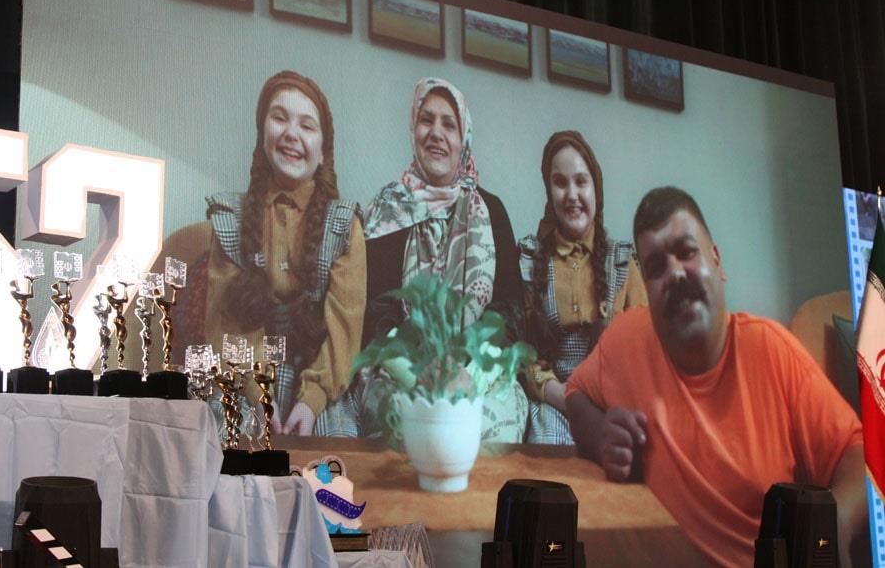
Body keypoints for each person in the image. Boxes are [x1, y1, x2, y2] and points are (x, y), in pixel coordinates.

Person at [565, 186, 867, 567]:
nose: (675, 273)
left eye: (686, 252)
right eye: (656, 268)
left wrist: (835, 521)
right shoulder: (626, 339)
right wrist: (600, 436)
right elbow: (575, 392)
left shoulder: (771, 352)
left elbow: (861, 453)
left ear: (717, 261)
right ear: (647, 290)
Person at [171, 70, 366, 436]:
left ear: (323, 151)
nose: (292, 133)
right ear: (262, 136)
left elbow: (345, 332)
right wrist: (259, 395)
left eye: (307, 126)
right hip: (246, 373)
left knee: (332, 458)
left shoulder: (345, 225)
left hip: (321, 383)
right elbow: (224, 324)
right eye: (280, 118)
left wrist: (312, 401)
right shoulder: (231, 218)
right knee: (231, 440)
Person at [359, 77, 527, 442]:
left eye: (449, 124)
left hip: (479, 370)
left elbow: (510, 312)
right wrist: (418, 371)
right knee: (411, 425)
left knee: (487, 428)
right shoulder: (386, 212)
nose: (436, 133)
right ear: (413, 130)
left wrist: (471, 372)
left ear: (464, 137)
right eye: (427, 120)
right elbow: (376, 314)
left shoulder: (492, 210)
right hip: (401, 372)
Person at [518, 131, 646, 444]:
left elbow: (645, 347)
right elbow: (524, 353)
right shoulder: (530, 259)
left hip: (611, 403)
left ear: (596, 188)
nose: (572, 194)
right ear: (549, 191)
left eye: (581, 181)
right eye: (560, 183)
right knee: (550, 454)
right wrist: (563, 397)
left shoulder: (622, 262)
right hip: (554, 402)